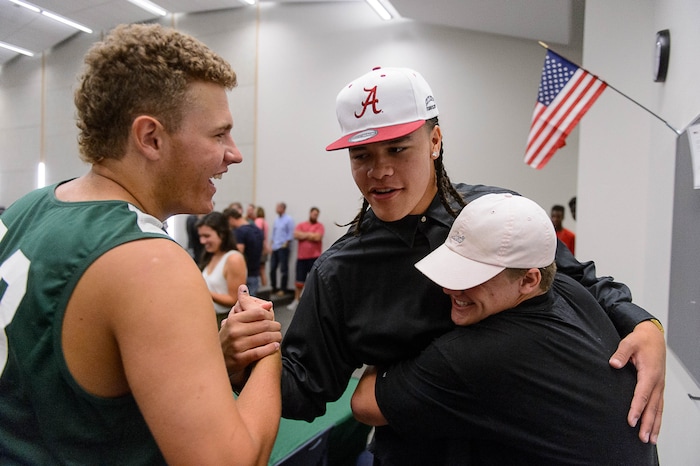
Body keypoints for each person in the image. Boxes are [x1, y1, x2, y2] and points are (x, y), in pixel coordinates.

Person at [220, 67, 665, 463]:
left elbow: (578, 279)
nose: (379, 171)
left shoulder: (499, 216)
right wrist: (244, 360)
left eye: (397, 150)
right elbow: (307, 387)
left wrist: (644, 325)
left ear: (434, 140)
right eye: (362, 156)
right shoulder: (339, 272)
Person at [0, 23, 281, 465]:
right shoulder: (150, 261)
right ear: (151, 138)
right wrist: (267, 354)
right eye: (218, 134)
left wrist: (209, 357)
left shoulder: (25, 210)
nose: (234, 152)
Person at [351, 193, 659, 465]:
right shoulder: (567, 290)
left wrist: (392, 335)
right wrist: (650, 326)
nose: (448, 288)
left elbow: (365, 404)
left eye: (472, 276)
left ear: (529, 280)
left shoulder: (486, 353)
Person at [197, 211, 249, 328]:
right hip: (209, 317)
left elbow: (234, 299)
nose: (202, 241)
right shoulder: (211, 255)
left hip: (225, 320)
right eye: (200, 236)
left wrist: (201, 291)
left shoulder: (233, 259)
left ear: (222, 234)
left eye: (207, 236)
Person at [288, 206, 324, 311]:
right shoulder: (301, 225)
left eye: (317, 214)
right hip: (302, 257)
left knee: (314, 281)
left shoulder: (320, 226)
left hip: (314, 257)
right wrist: (310, 235)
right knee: (299, 281)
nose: (315, 216)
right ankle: (296, 300)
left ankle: (312, 304)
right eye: (314, 214)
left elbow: (318, 237)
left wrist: (304, 235)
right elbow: (295, 234)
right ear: (310, 213)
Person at [225, 207, 264, 296]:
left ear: (230, 219)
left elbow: (239, 252)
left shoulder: (239, 232)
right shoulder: (257, 230)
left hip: (244, 274)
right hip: (255, 273)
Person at [269, 202, 295, 296]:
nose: (276, 209)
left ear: (283, 208)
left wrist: (286, 244)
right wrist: (271, 245)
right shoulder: (276, 219)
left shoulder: (288, 219)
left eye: (278, 207)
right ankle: (274, 287)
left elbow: (290, 233)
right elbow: (274, 233)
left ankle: (283, 289)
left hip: (283, 247)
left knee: (283, 269)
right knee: (272, 268)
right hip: (275, 246)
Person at [255, 205, 271, 288]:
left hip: (260, 248)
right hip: (265, 246)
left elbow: (259, 235)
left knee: (259, 269)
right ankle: (265, 287)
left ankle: (261, 288)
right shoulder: (265, 221)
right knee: (263, 269)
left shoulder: (258, 221)